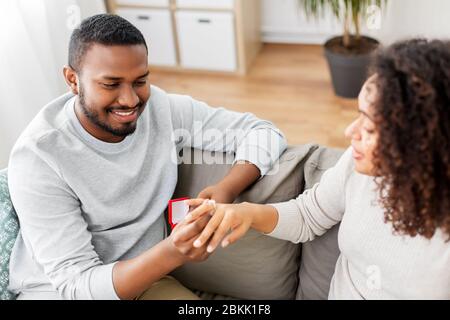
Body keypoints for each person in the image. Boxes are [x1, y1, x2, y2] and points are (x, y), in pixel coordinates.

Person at [7, 14, 287, 300]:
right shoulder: (39, 158)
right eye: (111, 84)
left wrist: (227, 188)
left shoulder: (161, 110)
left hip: (145, 282)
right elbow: (76, 286)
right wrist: (173, 252)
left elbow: (262, 131)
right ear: (72, 80)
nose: (130, 100)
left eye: (139, 81)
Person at [186, 39, 450, 299]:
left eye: (369, 127)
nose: (350, 132)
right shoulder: (359, 167)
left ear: (419, 142)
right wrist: (247, 213)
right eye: (358, 115)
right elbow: (307, 216)